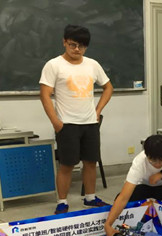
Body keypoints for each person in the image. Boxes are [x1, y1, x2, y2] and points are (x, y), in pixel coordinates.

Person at [39, 25, 114, 214]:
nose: (77, 49)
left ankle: (90, 198)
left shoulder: (92, 64)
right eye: (73, 45)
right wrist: (55, 122)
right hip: (67, 124)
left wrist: (98, 110)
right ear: (64, 42)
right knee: (67, 165)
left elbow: (108, 87)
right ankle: (62, 202)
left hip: (90, 123)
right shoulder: (54, 65)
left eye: (82, 46)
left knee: (90, 162)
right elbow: (45, 95)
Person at [104, 135, 162, 236]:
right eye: (153, 161)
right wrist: (108, 224)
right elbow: (123, 197)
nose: (157, 165)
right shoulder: (139, 162)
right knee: (121, 198)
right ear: (146, 155)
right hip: (146, 188)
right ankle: (130, 226)